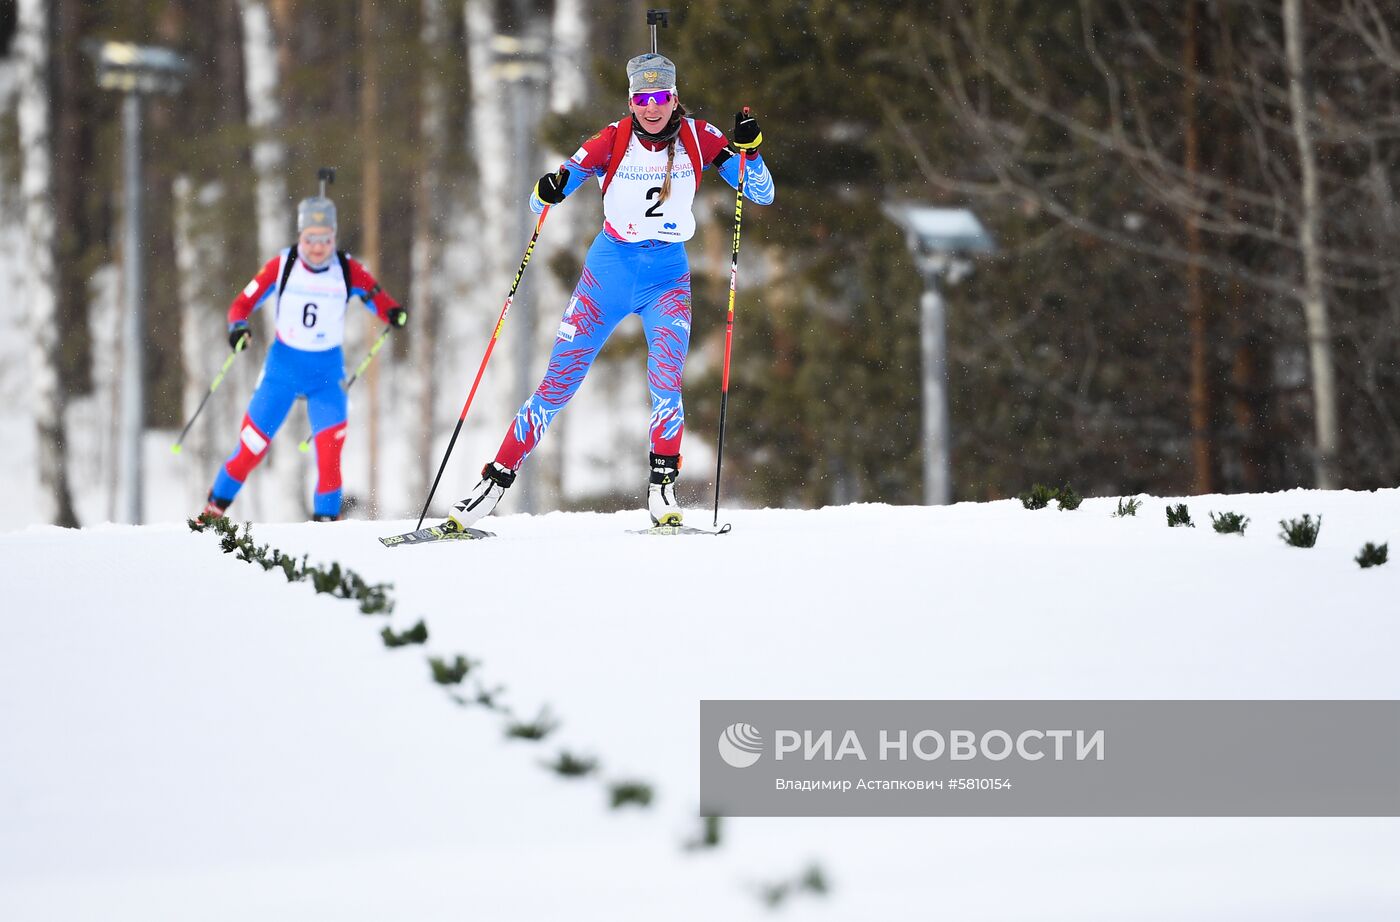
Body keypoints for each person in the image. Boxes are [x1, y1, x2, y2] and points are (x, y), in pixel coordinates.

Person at [442, 52, 774, 532]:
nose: (652, 107)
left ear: (674, 97)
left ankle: (662, 490)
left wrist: (751, 150)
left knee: (666, 380)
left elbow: (759, 193)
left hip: (667, 279)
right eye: (643, 98)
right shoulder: (610, 140)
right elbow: (541, 196)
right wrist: (551, 187)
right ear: (632, 101)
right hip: (607, 276)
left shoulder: (701, 138)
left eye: (661, 97)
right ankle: (492, 483)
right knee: (558, 384)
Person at [202, 196, 406, 521]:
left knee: (329, 458)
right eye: (310, 239)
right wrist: (238, 329)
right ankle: (213, 511)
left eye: (325, 239)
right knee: (251, 448)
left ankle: (325, 529)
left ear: (334, 237)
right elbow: (240, 305)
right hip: (282, 370)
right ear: (300, 236)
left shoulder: (347, 269)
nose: (317, 248)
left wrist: (393, 313)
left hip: (326, 375)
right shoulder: (282, 266)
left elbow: (379, 299)